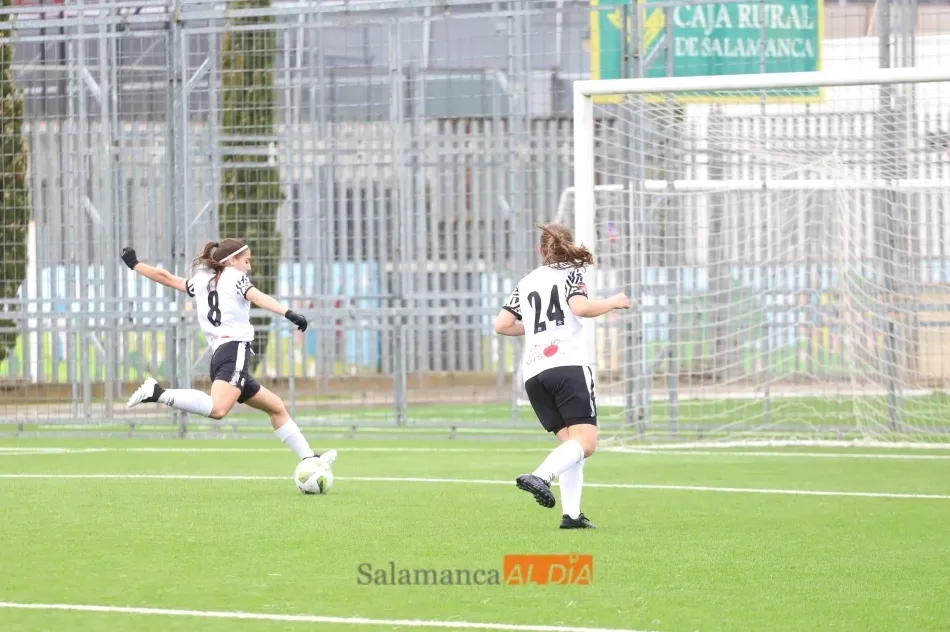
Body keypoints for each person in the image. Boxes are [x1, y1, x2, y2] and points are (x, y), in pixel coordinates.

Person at [120, 239, 337, 468]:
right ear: (232, 260)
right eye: (247, 261)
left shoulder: (202, 279)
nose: (249, 267)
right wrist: (288, 312)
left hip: (220, 354)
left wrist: (135, 264)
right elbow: (258, 297)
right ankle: (158, 393)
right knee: (218, 409)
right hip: (235, 351)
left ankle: (310, 458)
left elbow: (167, 278)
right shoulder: (235, 277)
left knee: (276, 407)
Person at [494, 222, 629, 529]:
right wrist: (613, 302)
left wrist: (536, 329)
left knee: (572, 446)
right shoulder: (572, 274)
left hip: (535, 375)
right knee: (588, 443)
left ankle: (571, 516)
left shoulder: (527, 281)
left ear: (540, 251)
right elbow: (580, 308)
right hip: (567, 367)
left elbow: (501, 325)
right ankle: (540, 476)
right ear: (568, 247)